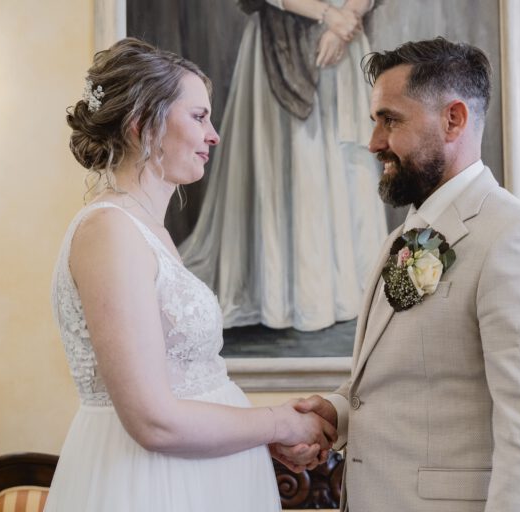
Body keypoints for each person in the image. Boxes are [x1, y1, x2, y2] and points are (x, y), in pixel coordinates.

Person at [275, 37, 520, 511]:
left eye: (390, 119)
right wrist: (337, 412)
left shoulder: (519, 241)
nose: (374, 141)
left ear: (453, 119)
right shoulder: (407, 236)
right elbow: (408, 382)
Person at [46, 38, 335, 511]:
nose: (214, 135)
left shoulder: (144, 229)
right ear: (143, 125)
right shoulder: (109, 232)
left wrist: (259, 436)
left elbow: (188, 382)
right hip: (151, 483)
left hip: (203, 474)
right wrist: (279, 423)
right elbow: (152, 420)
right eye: (199, 117)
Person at [178, 0, 388, 332]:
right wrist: (329, 16)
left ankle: (350, 290)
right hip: (284, 38)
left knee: (348, 161)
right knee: (297, 162)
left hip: (344, 41)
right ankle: (295, 296)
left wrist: (348, 19)